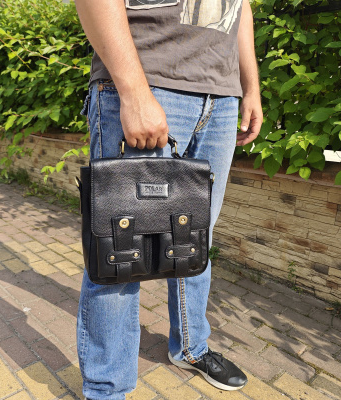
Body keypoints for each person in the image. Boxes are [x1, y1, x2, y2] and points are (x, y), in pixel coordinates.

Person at [74, 1, 263, 399]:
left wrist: (250, 88)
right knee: (118, 251)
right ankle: (107, 390)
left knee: (195, 237)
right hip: (149, 79)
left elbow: (241, 6)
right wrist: (133, 92)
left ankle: (191, 348)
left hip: (221, 96)